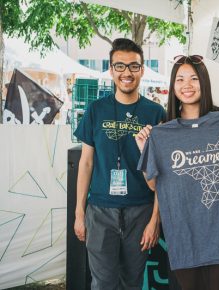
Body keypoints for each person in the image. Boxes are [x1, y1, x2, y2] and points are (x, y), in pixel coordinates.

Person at [136, 55, 219, 290]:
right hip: (185, 231)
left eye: (194, 78)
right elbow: (154, 185)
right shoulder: (163, 133)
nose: (187, 85)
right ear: (173, 86)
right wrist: (145, 150)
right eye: (180, 79)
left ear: (204, 83)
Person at [73, 38, 165, 290]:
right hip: (101, 211)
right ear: (111, 69)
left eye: (134, 66)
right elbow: (86, 164)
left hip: (141, 211)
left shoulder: (156, 113)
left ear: (142, 70)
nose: (127, 73)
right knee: (102, 283)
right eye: (120, 66)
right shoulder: (95, 110)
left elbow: (163, 173)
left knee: (132, 283)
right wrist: (79, 213)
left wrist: (154, 220)